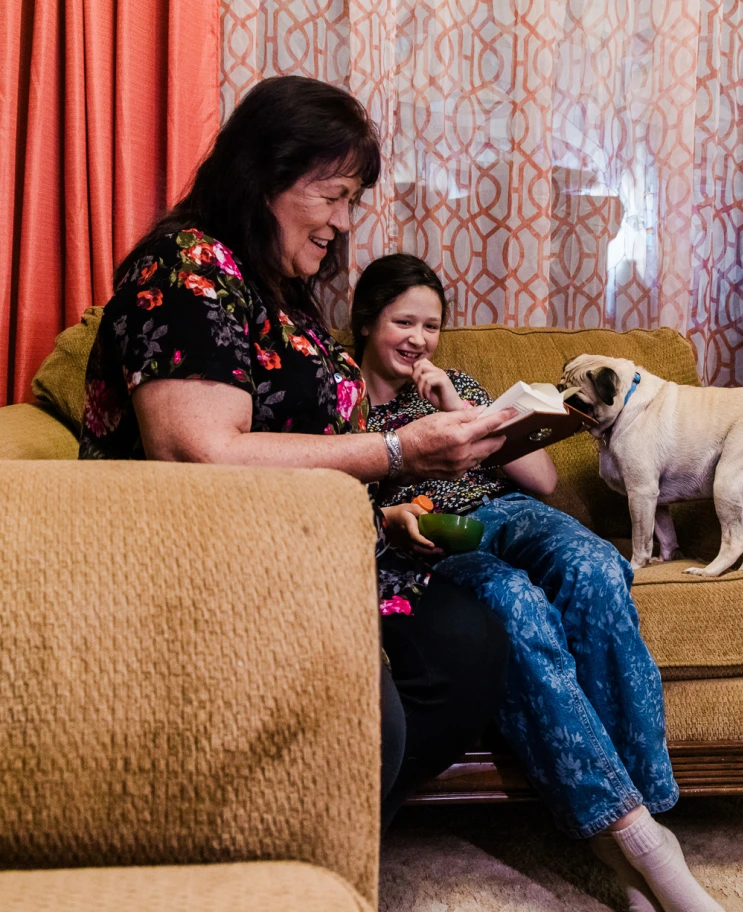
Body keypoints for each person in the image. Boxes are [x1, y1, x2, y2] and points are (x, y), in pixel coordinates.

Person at [77, 75, 514, 829]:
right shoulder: (187, 268)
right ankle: (264, 839)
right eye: (334, 195)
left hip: (317, 546)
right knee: (384, 717)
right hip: (218, 565)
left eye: (352, 202)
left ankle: (299, 832)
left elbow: (306, 447)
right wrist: (398, 451)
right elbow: (198, 456)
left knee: (469, 649)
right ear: (266, 174)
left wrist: (387, 513)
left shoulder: (272, 286)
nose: (344, 222)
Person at [352, 253, 725, 912]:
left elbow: (545, 483)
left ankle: (641, 832)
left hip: (511, 512)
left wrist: (460, 408)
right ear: (366, 321)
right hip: (440, 535)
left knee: (596, 568)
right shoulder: (340, 400)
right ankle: (641, 851)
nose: (418, 339)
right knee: (515, 606)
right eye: (402, 321)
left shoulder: (452, 383)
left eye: (431, 325)